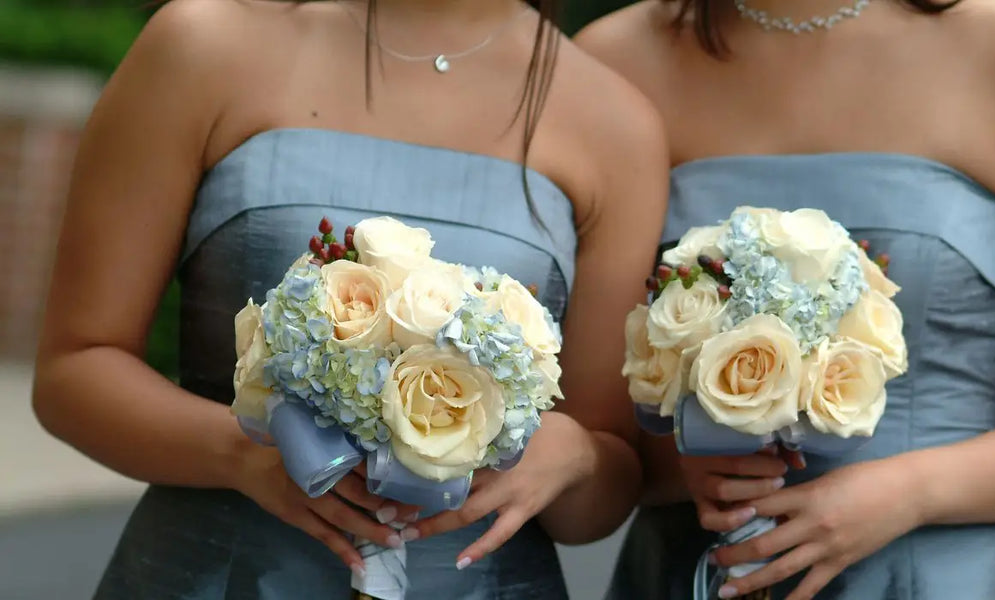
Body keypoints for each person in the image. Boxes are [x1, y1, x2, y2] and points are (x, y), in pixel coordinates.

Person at [32, 0, 667, 598]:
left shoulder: (614, 119)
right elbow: (75, 369)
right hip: (222, 574)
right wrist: (246, 456)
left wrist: (573, 454)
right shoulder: (204, 44)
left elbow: (602, 491)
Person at [577, 0, 995, 598]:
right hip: (703, 570)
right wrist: (687, 458)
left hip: (941, 575)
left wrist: (909, 491)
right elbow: (594, 441)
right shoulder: (615, 61)